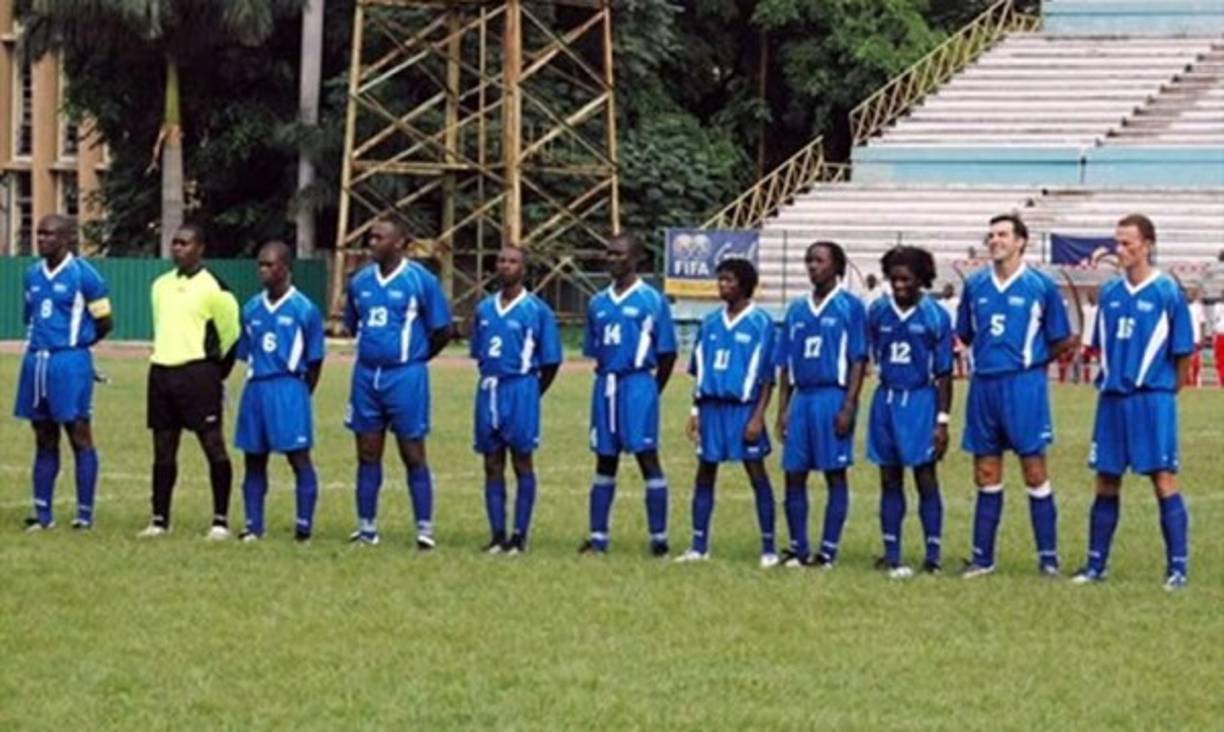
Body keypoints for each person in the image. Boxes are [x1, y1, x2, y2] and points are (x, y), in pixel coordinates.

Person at [1071, 214, 1194, 590]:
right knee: (1106, 479)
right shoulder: (1110, 292)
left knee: (1162, 478)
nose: (1120, 249)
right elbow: (1100, 345)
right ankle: (1096, 564)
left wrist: (1166, 391)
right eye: (1117, 242)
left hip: (1151, 399)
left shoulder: (1166, 292)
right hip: (1112, 399)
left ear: (1147, 245)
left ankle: (1177, 568)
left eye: (1127, 243)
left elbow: (1183, 352)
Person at [956, 214, 1075, 578]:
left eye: (1003, 234)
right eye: (991, 235)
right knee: (985, 470)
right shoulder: (975, 285)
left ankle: (1048, 558)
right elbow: (966, 334)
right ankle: (983, 558)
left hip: (1023, 386)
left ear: (1021, 241)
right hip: (984, 386)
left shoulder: (1040, 286)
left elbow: (1061, 338)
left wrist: (1032, 363)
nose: (995, 240)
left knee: (1034, 469)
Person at [343, 216, 452, 547]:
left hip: (405, 376)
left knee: (412, 452)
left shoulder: (421, 280)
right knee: (367, 452)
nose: (372, 242)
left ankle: (424, 529)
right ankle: (366, 528)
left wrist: (416, 358)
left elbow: (442, 330)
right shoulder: (360, 281)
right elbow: (353, 324)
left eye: (379, 238)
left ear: (400, 243)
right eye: (371, 236)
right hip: (366, 376)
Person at [141, 223, 241, 539]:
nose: (178, 249)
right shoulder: (160, 285)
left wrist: (213, 372)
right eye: (175, 243)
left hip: (198, 374)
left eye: (185, 243)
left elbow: (231, 336)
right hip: (161, 372)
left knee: (213, 445)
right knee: (163, 449)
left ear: (200, 248)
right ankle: (159, 519)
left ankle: (220, 520)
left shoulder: (216, 288)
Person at [579, 233, 677, 556]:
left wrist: (651, 391)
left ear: (636, 259)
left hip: (638, 383)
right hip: (606, 384)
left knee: (647, 457)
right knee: (604, 458)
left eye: (619, 254)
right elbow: (594, 350)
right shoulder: (597, 302)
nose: (612, 259)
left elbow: (667, 354)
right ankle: (598, 537)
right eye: (609, 253)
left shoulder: (652, 300)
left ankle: (659, 539)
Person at [13, 215, 113, 531]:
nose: (41, 239)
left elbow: (105, 321)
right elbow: (30, 318)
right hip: (35, 362)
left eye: (49, 234)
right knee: (43, 435)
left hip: (69, 362)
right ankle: (43, 515)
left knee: (79, 433)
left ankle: (84, 515)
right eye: (39, 234)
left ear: (67, 238)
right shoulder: (32, 274)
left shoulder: (85, 275)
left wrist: (78, 347)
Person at [677, 258, 777, 566]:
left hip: (743, 409)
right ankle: (698, 546)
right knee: (705, 472)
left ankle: (769, 548)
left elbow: (768, 377)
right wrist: (695, 410)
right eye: (720, 279)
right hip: (711, 407)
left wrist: (758, 416)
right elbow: (700, 370)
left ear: (745, 285)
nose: (722, 285)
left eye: (729, 280)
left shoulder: (761, 323)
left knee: (756, 473)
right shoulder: (709, 323)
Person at [774, 241, 868, 569]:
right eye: (809, 260)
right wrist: (782, 410)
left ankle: (827, 551)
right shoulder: (797, 309)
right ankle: (798, 548)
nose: (813, 266)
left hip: (832, 396)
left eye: (820, 260)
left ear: (837, 266)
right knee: (793, 474)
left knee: (834, 474)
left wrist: (849, 405)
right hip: (802, 398)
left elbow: (858, 360)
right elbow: (785, 365)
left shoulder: (850, 307)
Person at [865, 246, 953, 577]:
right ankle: (892, 553)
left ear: (921, 280)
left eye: (906, 279)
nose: (899, 285)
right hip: (886, 399)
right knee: (889, 478)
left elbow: (944, 374)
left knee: (925, 477)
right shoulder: (878, 312)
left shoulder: (935, 316)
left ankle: (933, 556)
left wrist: (941, 421)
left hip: (920, 401)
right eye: (894, 279)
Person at [470, 246, 562, 554]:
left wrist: (532, 393)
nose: (505, 266)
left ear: (524, 269)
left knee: (522, 460)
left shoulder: (537, 310)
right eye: (501, 261)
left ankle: (519, 536)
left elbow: (551, 362)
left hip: (521, 387)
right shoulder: (484, 308)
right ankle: (497, 534)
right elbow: (479, 353)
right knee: (491, 462)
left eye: (512, 261)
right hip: (489, 389)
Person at [234, 241, 326, 542]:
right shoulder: (251, 308)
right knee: (253, 458)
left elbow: (315, 361)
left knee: (298, 458)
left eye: (269, 264)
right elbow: (246, 352)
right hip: (256, 388)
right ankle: (253, 526)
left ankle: (303, 526)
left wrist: (300, 394)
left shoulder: (305, 309)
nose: (263, 270)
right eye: (260, 264)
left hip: (288, 386)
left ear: (285, 268)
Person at [1185, 291, 1205, 387]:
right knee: (1186, 362)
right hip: (1185, 339)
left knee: (1195, 362)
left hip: (1195, 339)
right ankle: (1187, 383)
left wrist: (1201, 337)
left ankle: (1196, 383)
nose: (1189, 296)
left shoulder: (1198, 307)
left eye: (1192, 294)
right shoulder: (1183, 307)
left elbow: (1202, 323)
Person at [1080, 292, 1098, 384]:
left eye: (1093, 296)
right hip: (1086, 338)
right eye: (1090, 297)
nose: (1092, 298)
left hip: (1095, 338)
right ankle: (1086, 378)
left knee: (1100, 358)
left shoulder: (1098, 308)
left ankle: (1100, 378)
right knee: (1085, 359)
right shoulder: (1085, 308)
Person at [1214, 298, 1224, 387]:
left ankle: (1222, 379)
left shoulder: (1217, 306)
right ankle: (1221, 379)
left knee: (1220, 359)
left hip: (1220, 334)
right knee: (1220, 359)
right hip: (1220, 334)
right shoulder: (1217, 306)